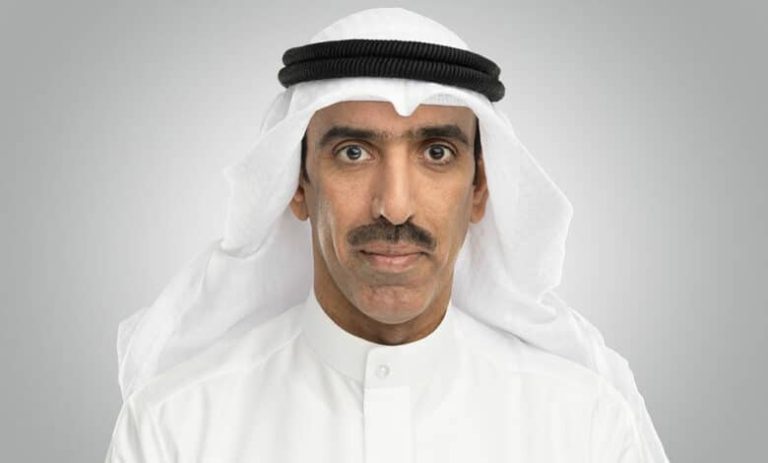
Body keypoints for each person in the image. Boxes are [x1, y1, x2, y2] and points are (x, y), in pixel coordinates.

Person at [105, 8, 668, 462]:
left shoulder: (584, 424)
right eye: (353, 153)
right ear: (297, 186)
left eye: (437, 153)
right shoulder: (175, 427)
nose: (394, 206)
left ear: (479, 190)